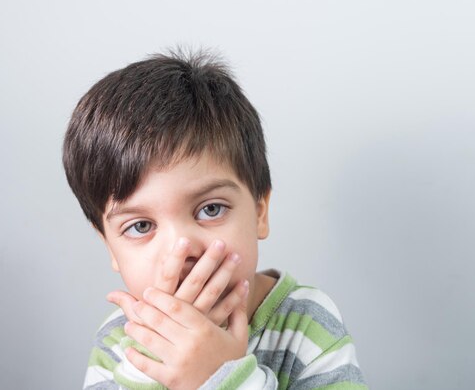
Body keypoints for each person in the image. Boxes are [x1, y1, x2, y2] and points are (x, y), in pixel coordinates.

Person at [62, 50, 367, 389]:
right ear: (110, 248)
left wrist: (223, 378)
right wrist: (152, 364)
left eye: (210, 209)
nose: (182, 249)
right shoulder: (119, 343)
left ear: (259, 212)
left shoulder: (307, 325)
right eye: (141, 226)